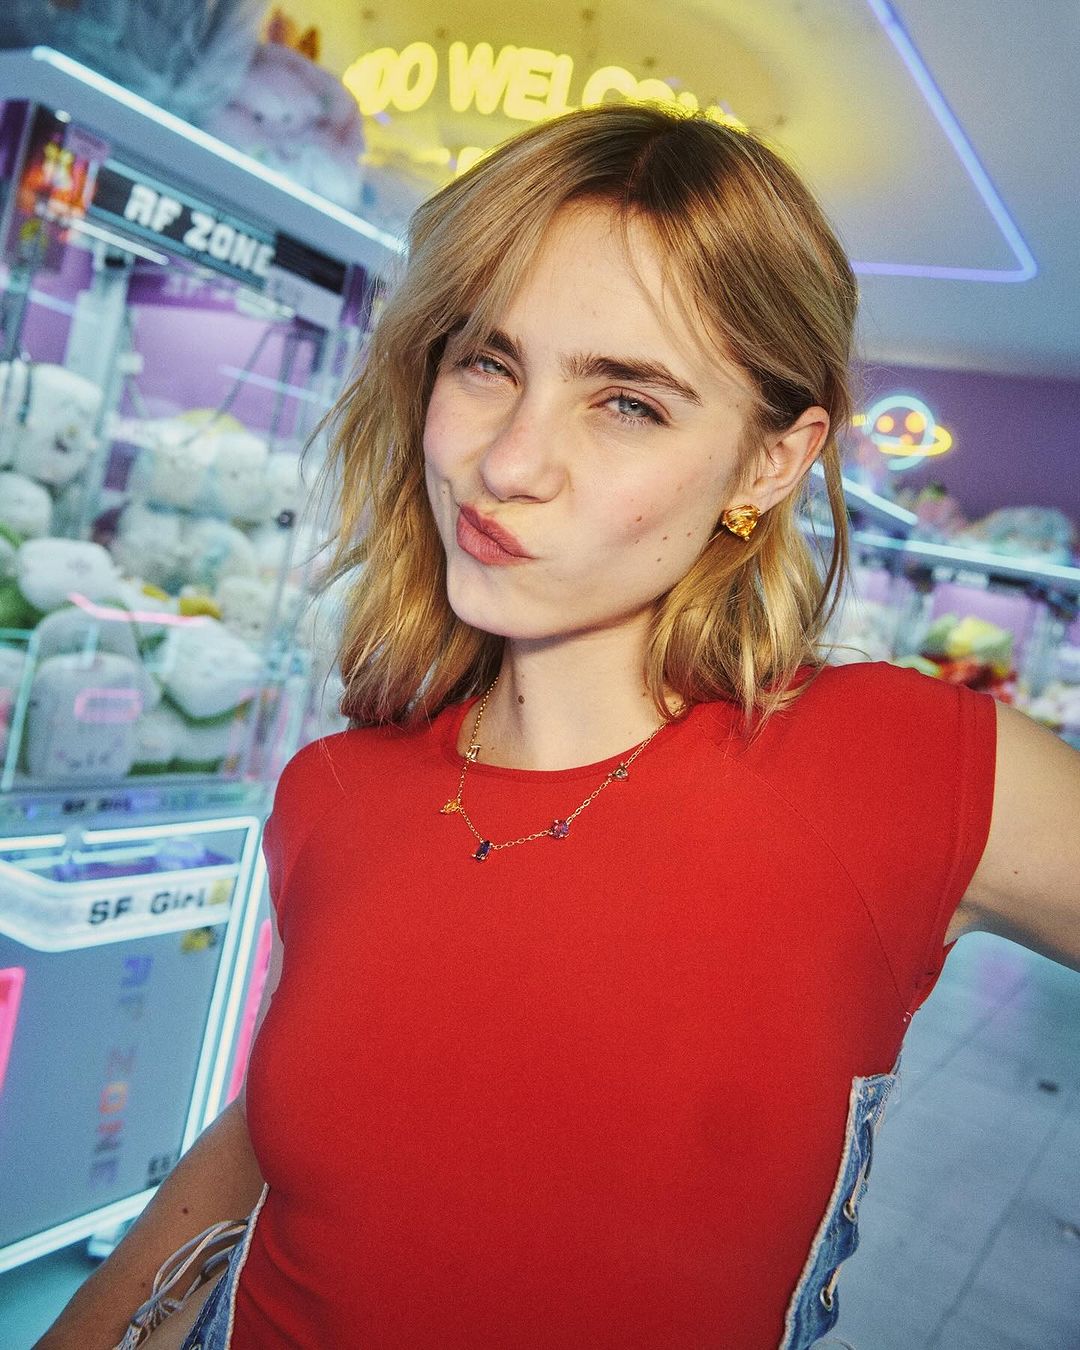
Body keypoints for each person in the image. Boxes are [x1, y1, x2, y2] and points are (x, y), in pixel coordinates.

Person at [37, 103, 1080, 1350]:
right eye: (488, 362)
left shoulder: (900, 769)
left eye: (627, 401)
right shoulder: (336, 788)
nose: (509, 463)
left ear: (770, 462)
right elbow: (273, 1151)